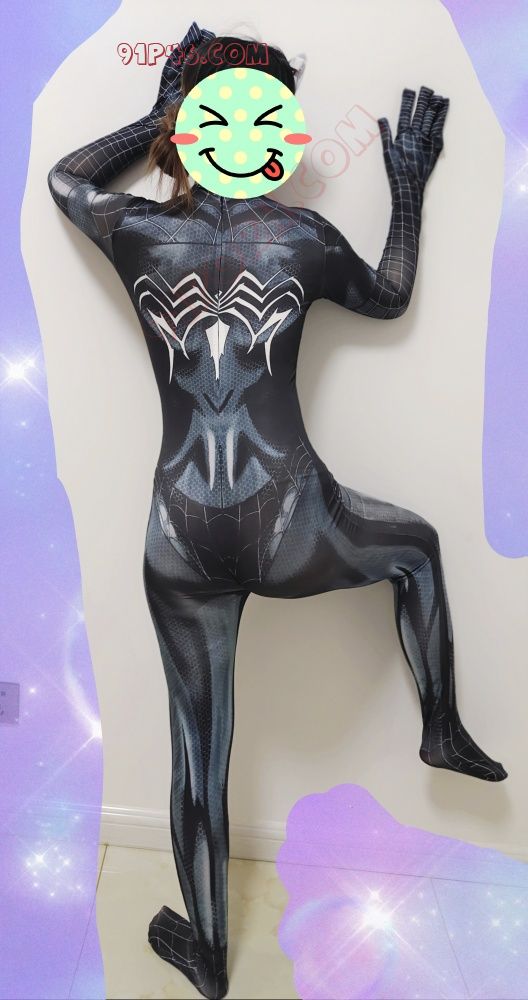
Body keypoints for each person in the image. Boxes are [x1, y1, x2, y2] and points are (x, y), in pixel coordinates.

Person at [47, 21, 508, 1000]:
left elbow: (64, 178)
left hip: (177, 537)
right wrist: (409, 188)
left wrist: (158, 111)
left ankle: (208, 955)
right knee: (416, 548)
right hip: (292, 521)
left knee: (196, 756)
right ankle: (440, 726)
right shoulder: (302, 237)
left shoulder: (137, 231)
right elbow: (389, 295)